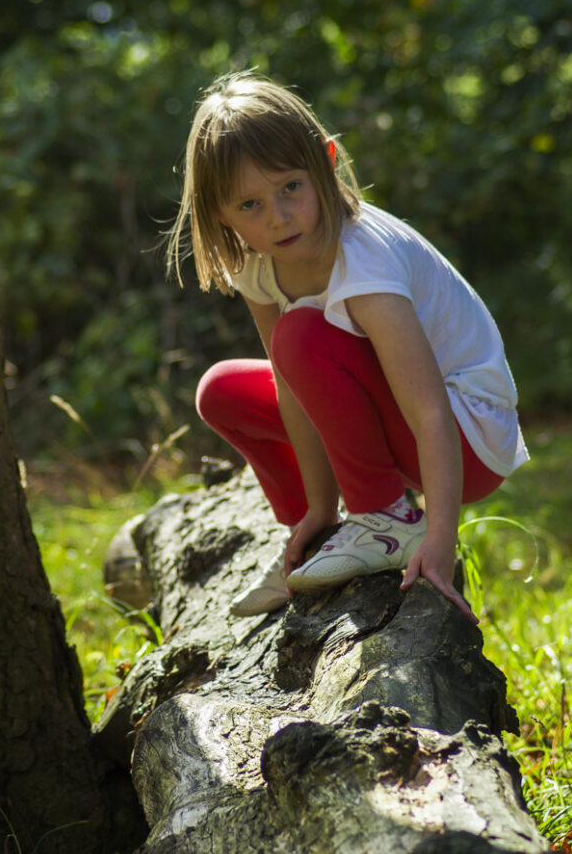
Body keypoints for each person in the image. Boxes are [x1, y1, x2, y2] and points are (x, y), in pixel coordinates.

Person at [168, 71, 528, 622]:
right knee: (222, 392)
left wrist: (440, 536)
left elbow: (428, 407)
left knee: (303, 334)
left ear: (326, 161)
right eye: (250, 205)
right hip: (398, 421)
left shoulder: (363, 258)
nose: (278, 216)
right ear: (220, 213)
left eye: (290, 186)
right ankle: (310, 533)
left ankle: (385, 519)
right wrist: (316, 504)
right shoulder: (257, 265)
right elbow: (293, 388)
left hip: (466, 437)